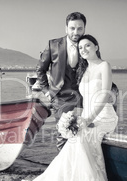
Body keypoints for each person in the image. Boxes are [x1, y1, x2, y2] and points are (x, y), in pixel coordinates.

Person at [6, 34, 118, 181]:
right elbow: (84, 98)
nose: (84, 50)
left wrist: (88, 119)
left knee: (78, 138)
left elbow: (104, 95)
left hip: (104, 116)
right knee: (74, 141)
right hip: (88, 115)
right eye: (81, 48)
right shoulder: (85, 70)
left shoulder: (104, 66)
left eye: (88, 46)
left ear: (96, 46)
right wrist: (76, 116)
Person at [32, 12, 86, 151]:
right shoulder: (53, 45)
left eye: (80, 28)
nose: (76, 32)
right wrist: (47, 91)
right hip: (60, 97)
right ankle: (63, 169)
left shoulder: (88, 45)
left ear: (84, 29)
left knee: (82, 134)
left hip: (84, 97)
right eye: (72, 28)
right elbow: (40, 69)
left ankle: (76, 167)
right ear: (66, 28)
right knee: (63, 134)